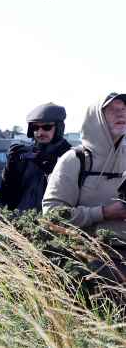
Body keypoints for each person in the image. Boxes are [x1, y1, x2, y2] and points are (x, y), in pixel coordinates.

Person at [44, 94, 126, 262]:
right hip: (89, 262)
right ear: (96, 118)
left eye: (124, 109)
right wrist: (103, 213)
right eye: (112, 110)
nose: (121, 114)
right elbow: (52, 214)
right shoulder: (74, 160)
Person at [0, 102, 70, 211]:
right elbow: (5, 196)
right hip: (20, 222)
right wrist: (10, 169)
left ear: (59, 128)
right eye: (35, 127)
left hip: (52, 223)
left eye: (46, 127)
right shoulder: (27, 155)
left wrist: (50, 168)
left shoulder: (70, 156)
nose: (40, 132)